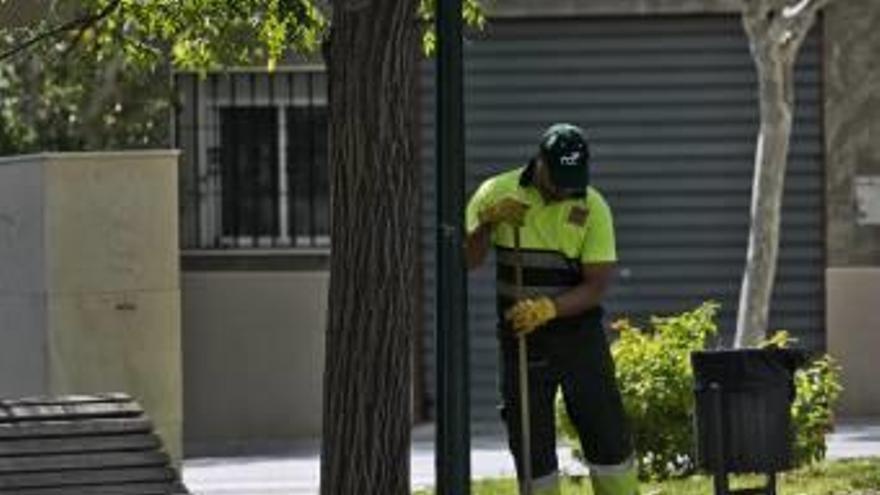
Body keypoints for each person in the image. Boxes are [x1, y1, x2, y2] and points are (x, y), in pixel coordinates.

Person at [464, 123, 640, 495]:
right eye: (559, 178)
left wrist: (548, 309)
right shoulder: (497, 192)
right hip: (522, 340)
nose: (565, 189)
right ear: (540, 163)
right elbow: (468, 260)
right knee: (531, 445)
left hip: (579, 336)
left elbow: (596, 286)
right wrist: (485, 223)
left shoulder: (592, 206)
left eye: (573, 180)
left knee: (605, 430)